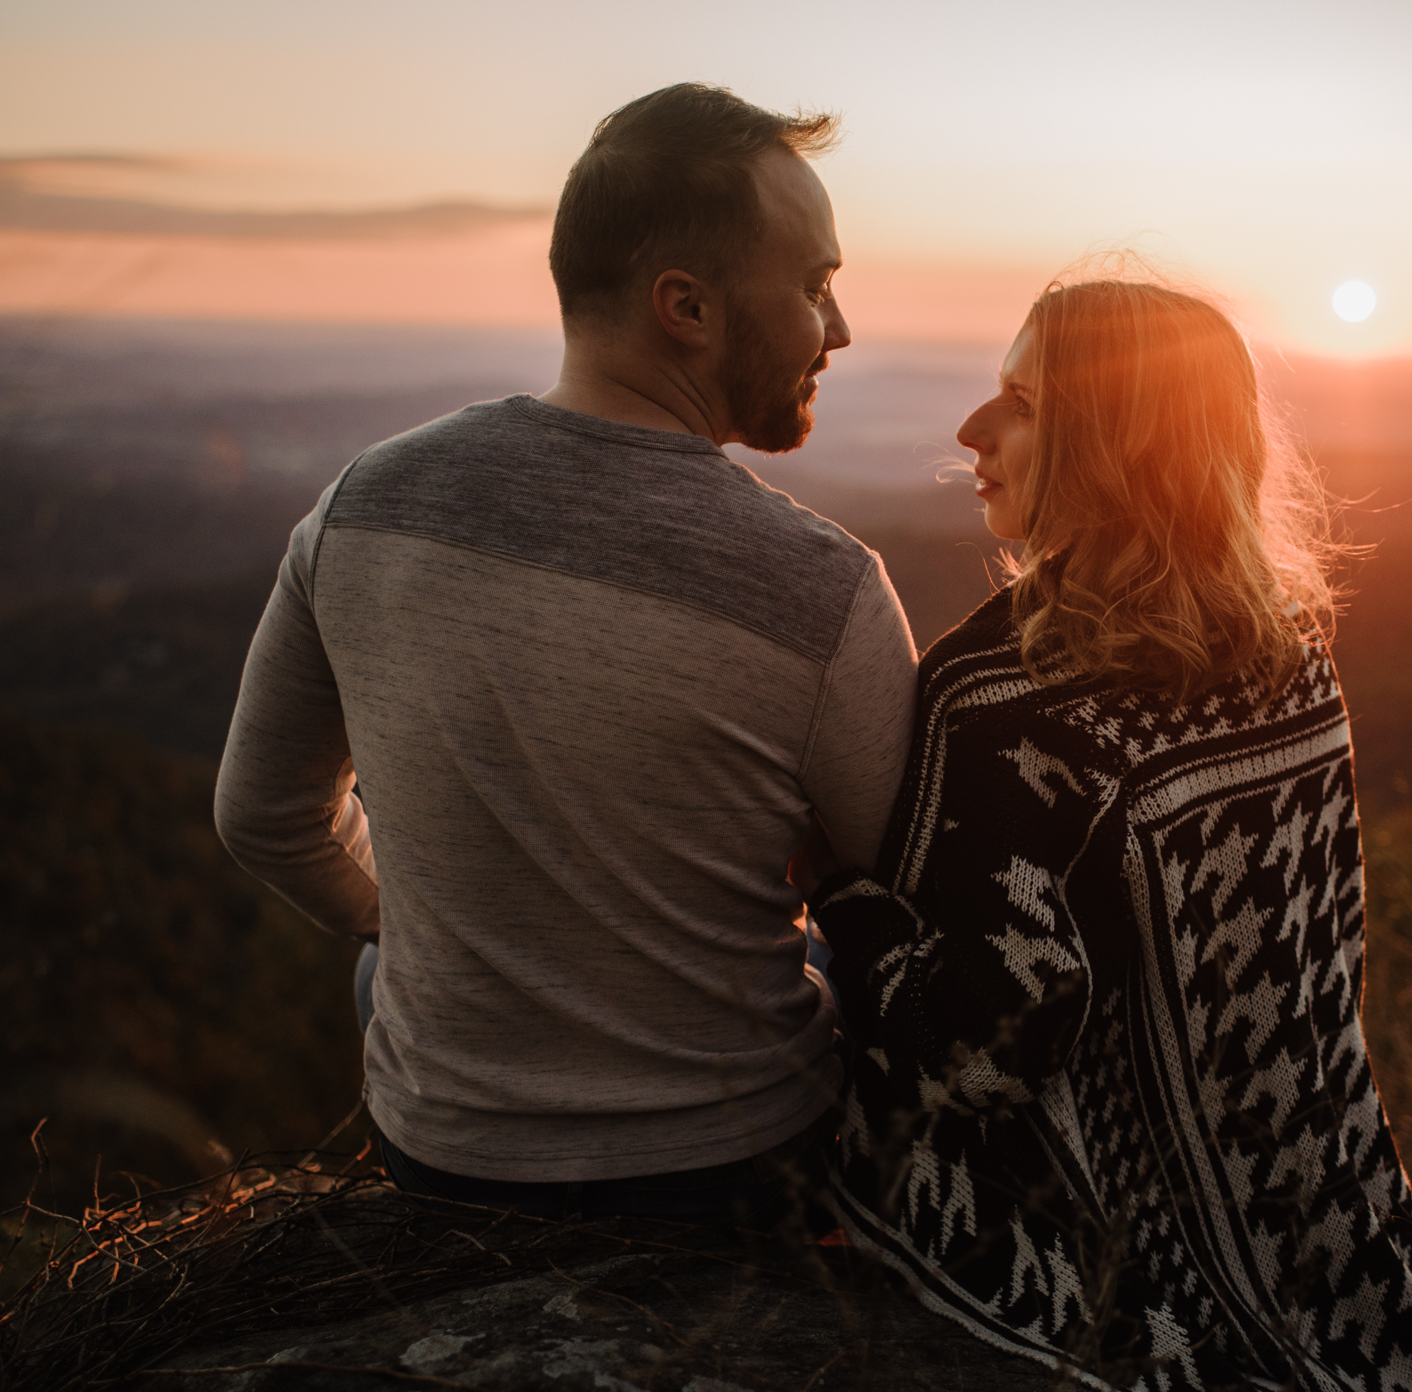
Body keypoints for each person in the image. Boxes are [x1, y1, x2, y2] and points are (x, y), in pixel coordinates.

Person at [795, 279, 1412, 1390]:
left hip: (1099, 1245)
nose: (971, 431)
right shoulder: (1292, 655)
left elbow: (976, 1057)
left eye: (1021, 401)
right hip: (1322, 1214)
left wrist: (833, 888)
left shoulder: (1003, 698)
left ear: (1114, 444)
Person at [214, 83, 917, 1227]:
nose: (836, 330)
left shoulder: (364, 504)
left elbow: (263, 819)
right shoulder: (821, 585)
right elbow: (900, 906)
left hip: (440, 1156)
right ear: (684, 306)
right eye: (815, 287)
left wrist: (415, 926)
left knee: (377, 960)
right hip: (733, 1171)